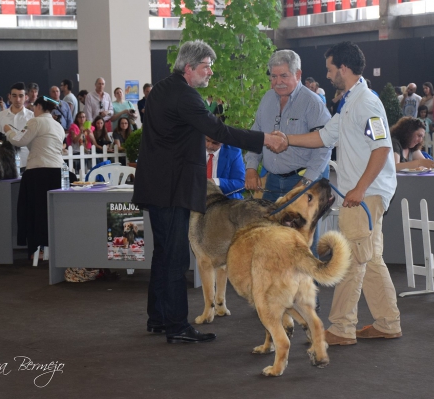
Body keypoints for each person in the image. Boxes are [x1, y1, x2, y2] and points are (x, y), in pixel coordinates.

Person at [132, 40, 284, 344]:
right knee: (174, 258)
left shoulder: (162, 88)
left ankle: (159, 318)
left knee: (163, 254)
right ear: (189, 68)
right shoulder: (186, 96)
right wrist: (264, 138)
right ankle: (177, 326)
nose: (210, 72)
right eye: (206, 66)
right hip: (173, 188)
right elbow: (219, 131)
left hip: (157, 186)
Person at [272, 41, 402, 346]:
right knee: (369, 259)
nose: (328, 75)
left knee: (353, 260)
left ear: (343, 69)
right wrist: (286, 139)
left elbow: (383, 148)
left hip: (363, 196)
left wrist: (359, 188)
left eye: (330, 69)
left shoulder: (366, 103)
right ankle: (387, 322)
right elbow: (323, 137)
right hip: (363, 194)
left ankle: (342, 327)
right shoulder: (349, 103)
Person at [244, 49, 331, 261]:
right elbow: (257, 135)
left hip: (302, 184)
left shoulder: (313, 104)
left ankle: (308, 296)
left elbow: (325, 146)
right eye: (273, 76)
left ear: (298, 75)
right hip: (272, 183)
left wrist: (306, 182)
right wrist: (251, 168)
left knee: (303, 251)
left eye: (284, 75)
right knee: (271, 247)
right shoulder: (266, 99)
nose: (278, 82)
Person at [3, 96, 65, 258]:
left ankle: (37, 250)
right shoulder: (58, 126)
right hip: (57, 172)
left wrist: (8, 130)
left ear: (38, 107)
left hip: (38, 172)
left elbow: (18, 140)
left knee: (34, 212)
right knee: (51, 212)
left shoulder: (35, 122)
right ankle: (52, 248)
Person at [0, 82, 35, 170]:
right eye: (14, 96)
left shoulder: (32, 116)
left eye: (21, 96)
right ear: (9, 97)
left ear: (26, 97)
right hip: (5, 164)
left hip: (28, 163)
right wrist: (3, 144)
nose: (17, 99)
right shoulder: (0, 116)